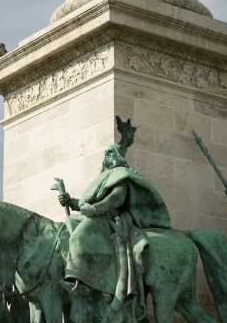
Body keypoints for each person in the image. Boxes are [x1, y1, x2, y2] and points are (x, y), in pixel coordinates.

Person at [56, 118, 169, 312]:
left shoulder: (120, 174)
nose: (105, 157)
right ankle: (84, 273)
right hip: (99, 216)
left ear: (115, 156)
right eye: (105, 154)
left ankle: (79, 282)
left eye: (109, 153)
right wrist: (70, 201)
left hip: (114, 219)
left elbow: (116, 198)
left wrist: (94, 210)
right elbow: (88, 201)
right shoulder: (104, 177)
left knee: (78, 238)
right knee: (66, 229)